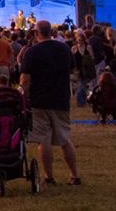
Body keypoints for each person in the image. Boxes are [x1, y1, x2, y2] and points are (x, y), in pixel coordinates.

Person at [18, 21, 80, 185]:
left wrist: (22, 94)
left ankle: (49, 176)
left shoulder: (32, 52)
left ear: (37, 33)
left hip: (39, 100)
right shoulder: (64, 49)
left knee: (43, 140)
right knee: (65, 139)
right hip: (60, 98)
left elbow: (25, 79)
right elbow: (72, 69)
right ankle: (74, 175)